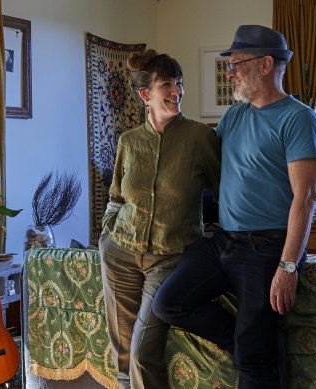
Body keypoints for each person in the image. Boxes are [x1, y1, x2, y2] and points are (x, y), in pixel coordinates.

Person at [152, 25, 316, 388]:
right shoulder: (233, 117)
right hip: (223, 242)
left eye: (236, 64)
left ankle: (256, 352)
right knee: (168, 303)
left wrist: (288, 266)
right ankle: (257, 345)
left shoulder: (299, 119)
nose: (229, 72)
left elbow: (306, 199)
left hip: (266, 248)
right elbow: (204, 167)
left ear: (265, 65)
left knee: (252, 366)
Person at [99, 49, 220, 389]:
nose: (176, 91)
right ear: (145, 95)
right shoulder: (128, 141)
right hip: (120, 253)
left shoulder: (200, 138)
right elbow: (117, 197)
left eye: (179, 83)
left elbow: (227, 192)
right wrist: (106, 236)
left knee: (141, 351)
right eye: (167, 84)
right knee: (122, 354)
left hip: (170, 258)